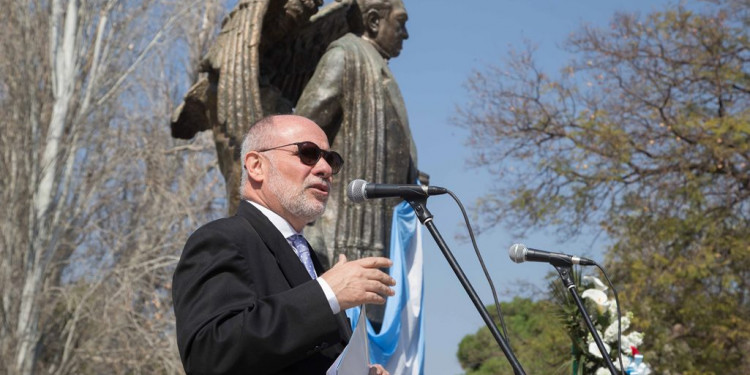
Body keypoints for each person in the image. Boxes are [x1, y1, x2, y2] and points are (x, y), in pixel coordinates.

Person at [172, 114, 394, 375]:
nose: (325, 169)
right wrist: (326, 293)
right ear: (256, 166)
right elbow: (208, 354)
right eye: (308, 153)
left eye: (331, 160)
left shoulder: (307, 257)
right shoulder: (221, 239)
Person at [295, 0, 422, 268]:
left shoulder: (377, 65)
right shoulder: (344, 56)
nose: (406, 34)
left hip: (383, 228)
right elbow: (300, 135)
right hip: (344, 229)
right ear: (374, 21)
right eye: (400, 22)